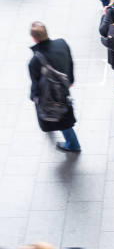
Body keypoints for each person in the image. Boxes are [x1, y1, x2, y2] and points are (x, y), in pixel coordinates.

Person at [28, 22, 81, 153]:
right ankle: (70, 141)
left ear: (34, 38)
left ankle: (73, 145)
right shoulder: (62, 43)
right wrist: (70, 80)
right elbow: (70, 61)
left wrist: (33, 97)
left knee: (62, 119)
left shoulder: (35, 61)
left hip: (50, 94)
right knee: (64, 113)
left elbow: (35, 84)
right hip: (64, 86)